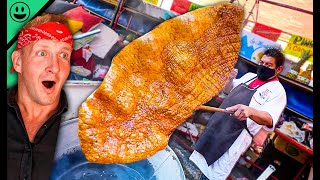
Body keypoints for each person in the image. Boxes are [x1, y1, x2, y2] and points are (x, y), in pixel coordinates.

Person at [189, 48, 287, 180]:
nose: (263, 66)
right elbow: (228, 90)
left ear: (278, 69)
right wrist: (229, 79)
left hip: (235, 135)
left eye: (268, 65)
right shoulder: (249, 76)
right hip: (218, 125)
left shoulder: (277, 91)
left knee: (213, 174)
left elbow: (269, 119)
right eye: (262, 63)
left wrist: (250, 111)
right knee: (198, 165)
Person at [7, 14, 73, 180]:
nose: (54, 67)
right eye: (42, 53)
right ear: (18, 62)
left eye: (63, 55)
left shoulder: (81, 125)